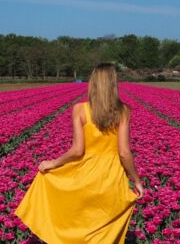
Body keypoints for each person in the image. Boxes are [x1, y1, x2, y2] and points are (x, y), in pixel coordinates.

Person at [14, 62, 144, 244]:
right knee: (103, 233)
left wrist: (53, 163)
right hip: (111, 179)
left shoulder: (80, 109)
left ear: (93, 83)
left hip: (85, 175)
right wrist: (136, 181)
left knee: (81, 225)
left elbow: (77, 150)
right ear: (114, 84)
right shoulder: (123, 111)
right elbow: (124, 152)